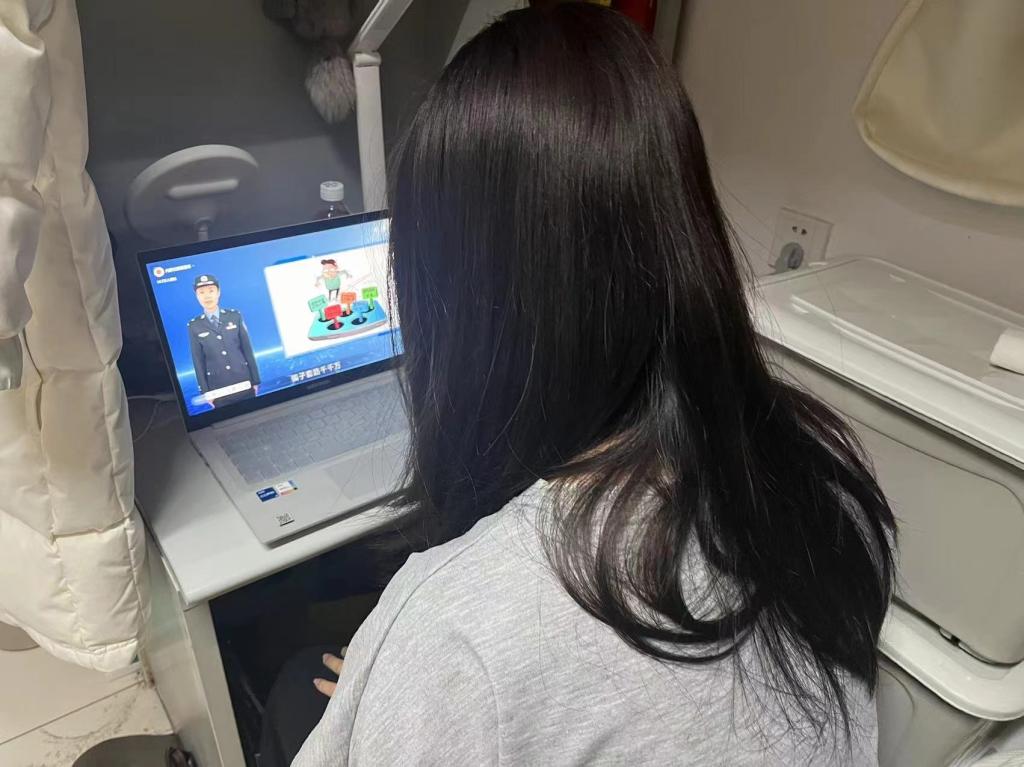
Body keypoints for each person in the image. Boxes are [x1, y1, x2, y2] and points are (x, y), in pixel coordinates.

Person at [287, 4, 896, 765]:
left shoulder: (458, 628)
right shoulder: (825, 477)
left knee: (293, 688)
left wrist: (402, 679)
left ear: (455, 301)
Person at [188, 274, 260, 408]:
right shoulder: (194, 325)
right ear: (196, 296)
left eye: (211, 290)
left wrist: (255, 381)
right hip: (218, 389)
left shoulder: (234, 316)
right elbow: (198, 361)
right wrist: (205, 392)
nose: (207, 296)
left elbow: (247, 350)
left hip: (244, 383)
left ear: (218, 292)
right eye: (201, 292)